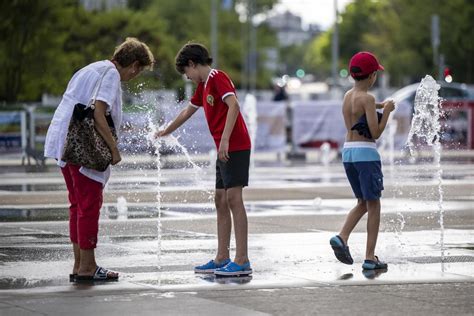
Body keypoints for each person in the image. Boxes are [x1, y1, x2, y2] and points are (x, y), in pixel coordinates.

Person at [44, 38, 154, 281]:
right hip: (84, 148)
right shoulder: (111, 74)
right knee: (89, 205)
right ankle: (88, 267)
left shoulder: (89, 68)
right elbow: (98, 112)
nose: (135, 76)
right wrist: (114, 150)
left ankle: (79, 264)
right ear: (134, 65)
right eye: (139, 71)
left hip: (65, 143)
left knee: (77, 205)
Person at [155, 43, 252, 276]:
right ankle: (222, 257)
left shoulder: (217, 77)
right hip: (224, 148)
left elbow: (234, 106)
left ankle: (242, 260)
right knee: (220, 199)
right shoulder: (203, 85)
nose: (187, 77)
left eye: (186, 72)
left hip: (235, 145)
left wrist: (226, 140)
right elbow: (188, 111)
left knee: (234, 199)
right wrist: (166, 131)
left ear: (192, 63)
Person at [329, 51, 395, 270]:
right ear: (372, 76)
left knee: (362, 202)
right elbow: (375, 133)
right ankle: (369, 257)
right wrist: (386, 112)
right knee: (374, 204)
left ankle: (342, 236)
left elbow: (359, 111)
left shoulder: (348, 96)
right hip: (366, 154)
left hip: (348, 153)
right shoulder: (368, 98)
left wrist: (379, 106)